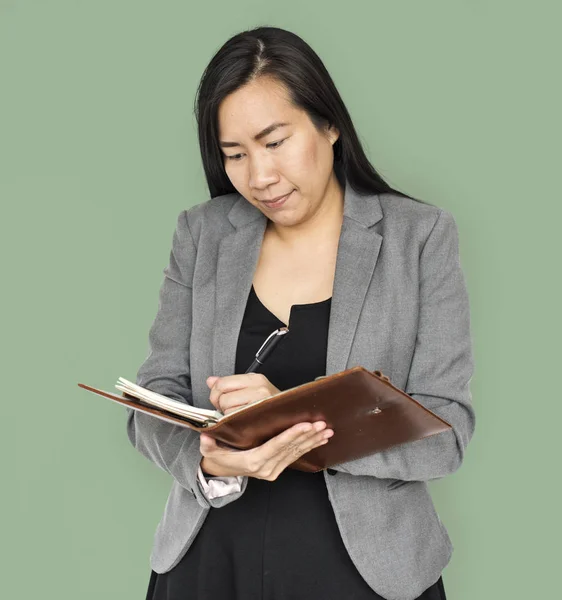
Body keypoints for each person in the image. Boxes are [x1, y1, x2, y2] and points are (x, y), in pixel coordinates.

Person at [126, 25, 475, 600]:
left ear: (329, 123)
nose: (258, 177)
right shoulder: (201, 234)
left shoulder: (419, 237)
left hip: (366, 573)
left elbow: (446, 432)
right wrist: (211, 463)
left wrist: (293, 425)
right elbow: (153, 401)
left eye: (275, 141)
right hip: (210, 564)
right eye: (234, 154)